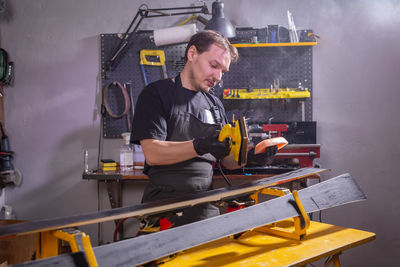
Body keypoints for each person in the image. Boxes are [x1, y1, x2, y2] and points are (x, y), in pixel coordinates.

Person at [131, 30, 276, 227]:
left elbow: (227, 161)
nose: (218, 77)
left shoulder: (215, 104)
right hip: (163, 207)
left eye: (222, 72)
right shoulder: (156, 94)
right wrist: (199, 146)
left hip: (206, 207)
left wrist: (250, 158)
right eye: (214, 66)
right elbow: (153, 154)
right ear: (192, 54)